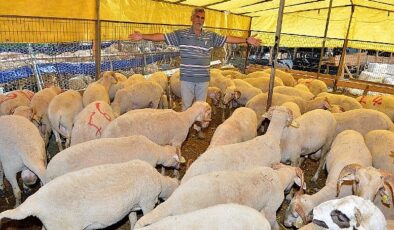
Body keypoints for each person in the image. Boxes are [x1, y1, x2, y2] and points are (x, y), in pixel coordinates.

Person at [129, 7, 261, 111]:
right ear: (191, 18)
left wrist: (246, 40)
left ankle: (198, 128)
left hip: (203, 78)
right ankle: (187, 130)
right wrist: (143, 36)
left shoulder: (210, 36)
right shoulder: (181, 34)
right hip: (187, 78)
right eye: (197, 17)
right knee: (186, 105)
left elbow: (227, 39)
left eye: (202, 18)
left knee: (201, 105)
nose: (200, 20)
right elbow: (163, 36)